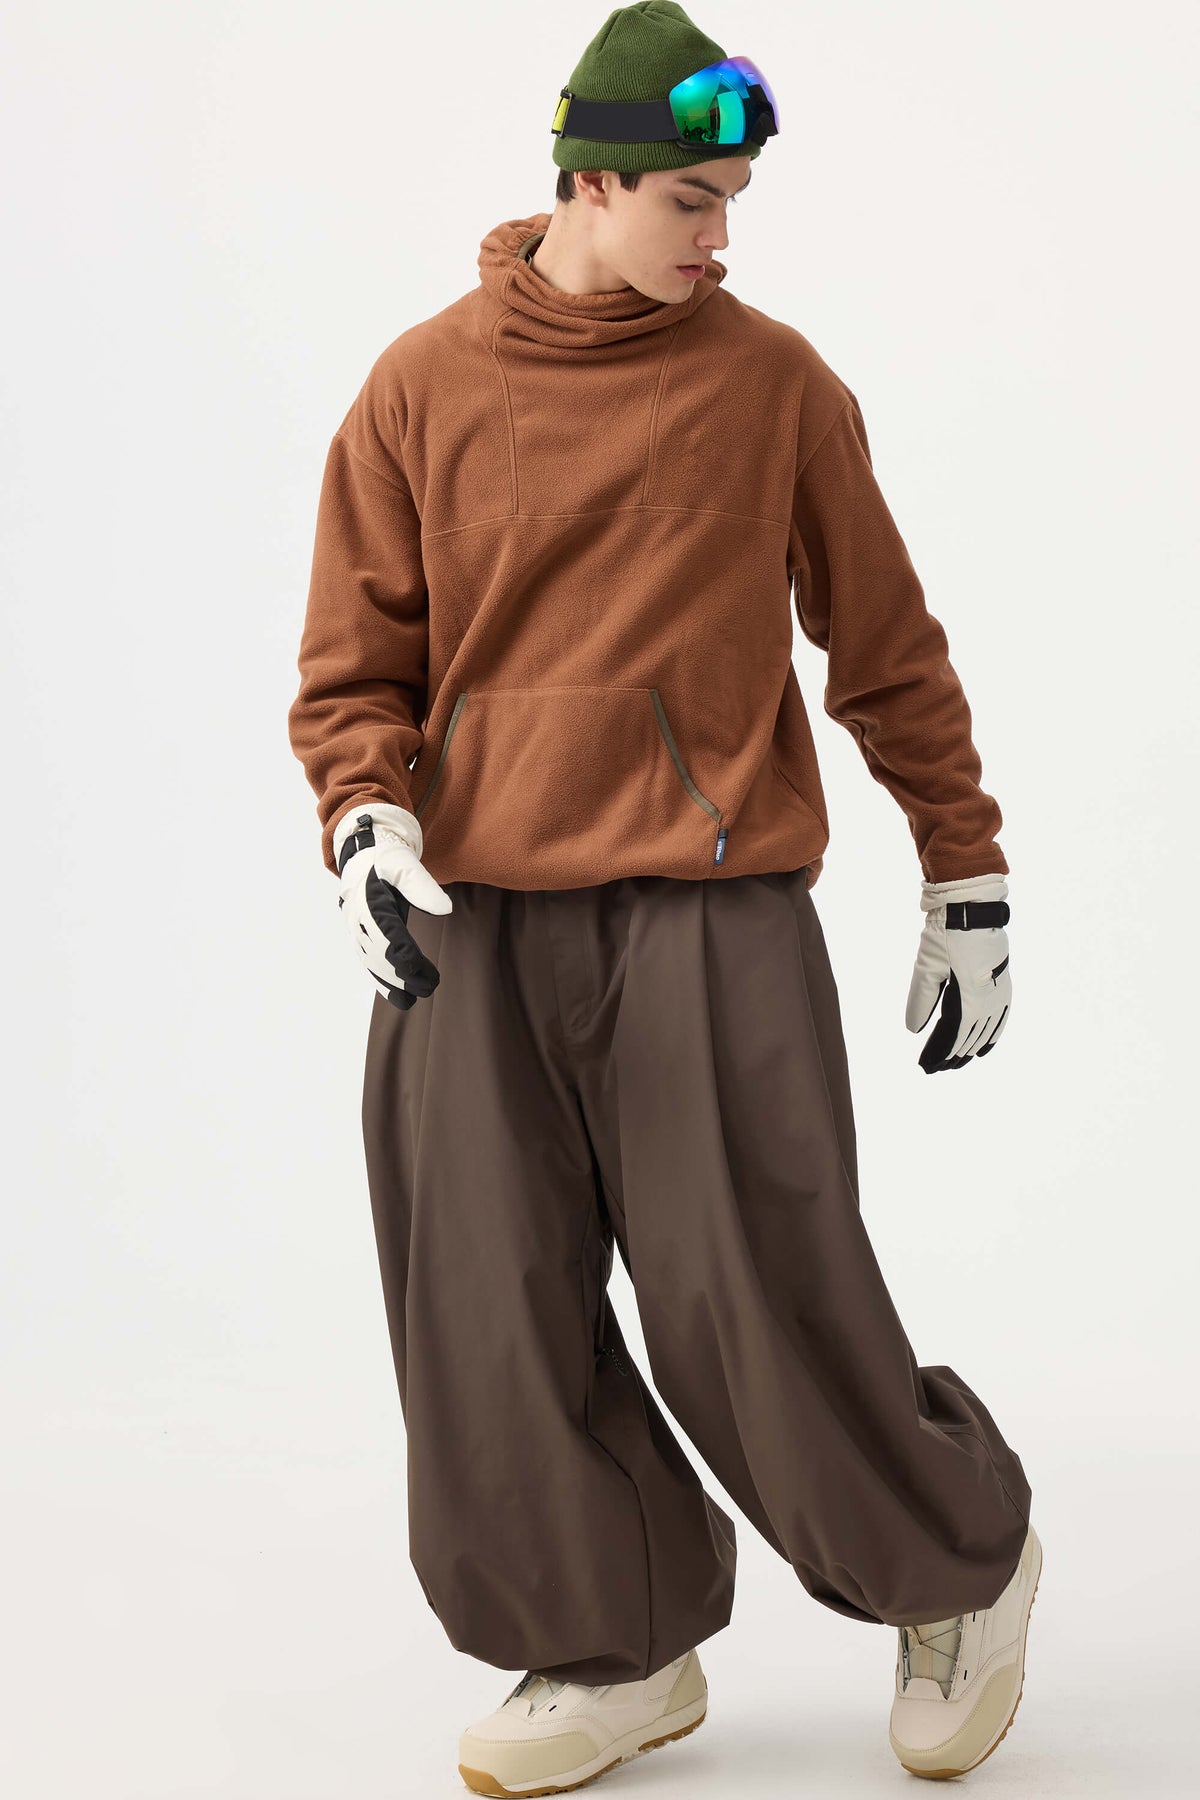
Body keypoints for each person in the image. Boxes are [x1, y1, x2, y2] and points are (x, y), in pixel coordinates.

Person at [287, 4, 1041, 1792]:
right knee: (487, 1308)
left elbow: (885, 644)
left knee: (755, 1294)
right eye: (693, 200)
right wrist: (364, 825)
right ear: (591, 182)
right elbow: (354, 668)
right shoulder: (417, 386)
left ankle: (963, 1568)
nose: (721, 238)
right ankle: (608, 1645)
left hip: (709, 910)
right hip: (468, 921)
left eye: (735, 204)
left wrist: (966, 868)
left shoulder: (773, 383)